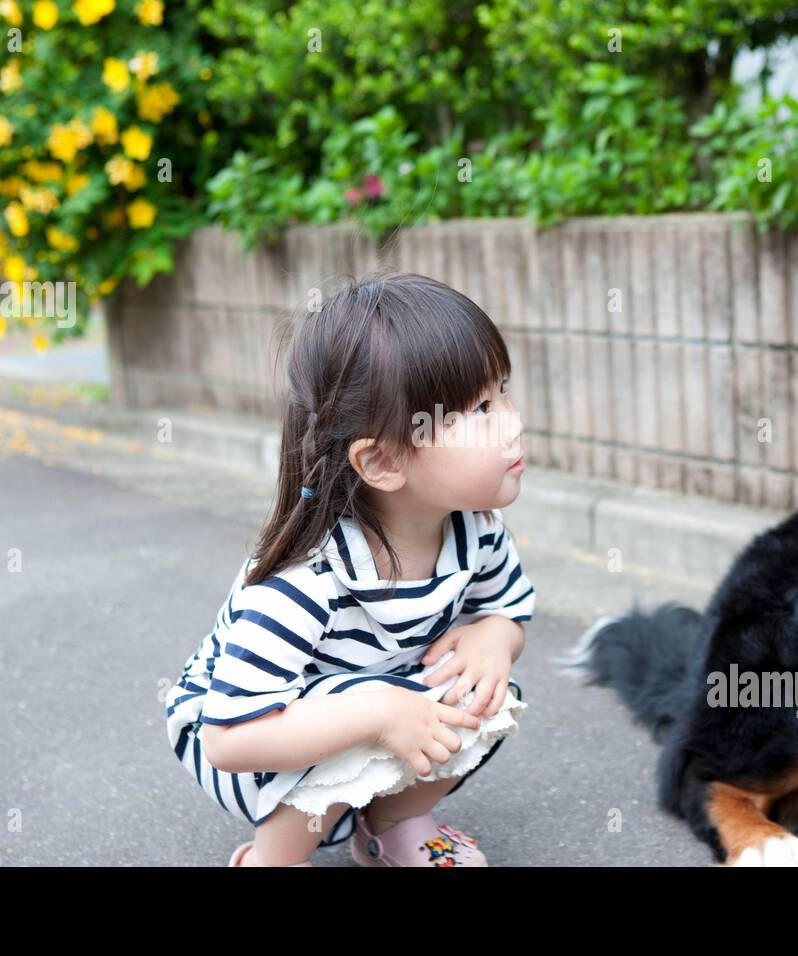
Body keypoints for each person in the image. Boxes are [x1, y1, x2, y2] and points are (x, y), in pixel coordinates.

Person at [164, 271, 536, 867]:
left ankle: (391, 826)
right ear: (383, 460)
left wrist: (496, 639)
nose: (514, 421)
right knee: (362, 705)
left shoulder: (477, 528)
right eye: (481, 409)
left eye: (504, 391)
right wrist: (379, 713)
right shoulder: (304, 581)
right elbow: (228, 737)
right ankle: (270, 860)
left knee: (483, 694)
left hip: (372, 702)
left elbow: (508, 609)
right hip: (249, 738)